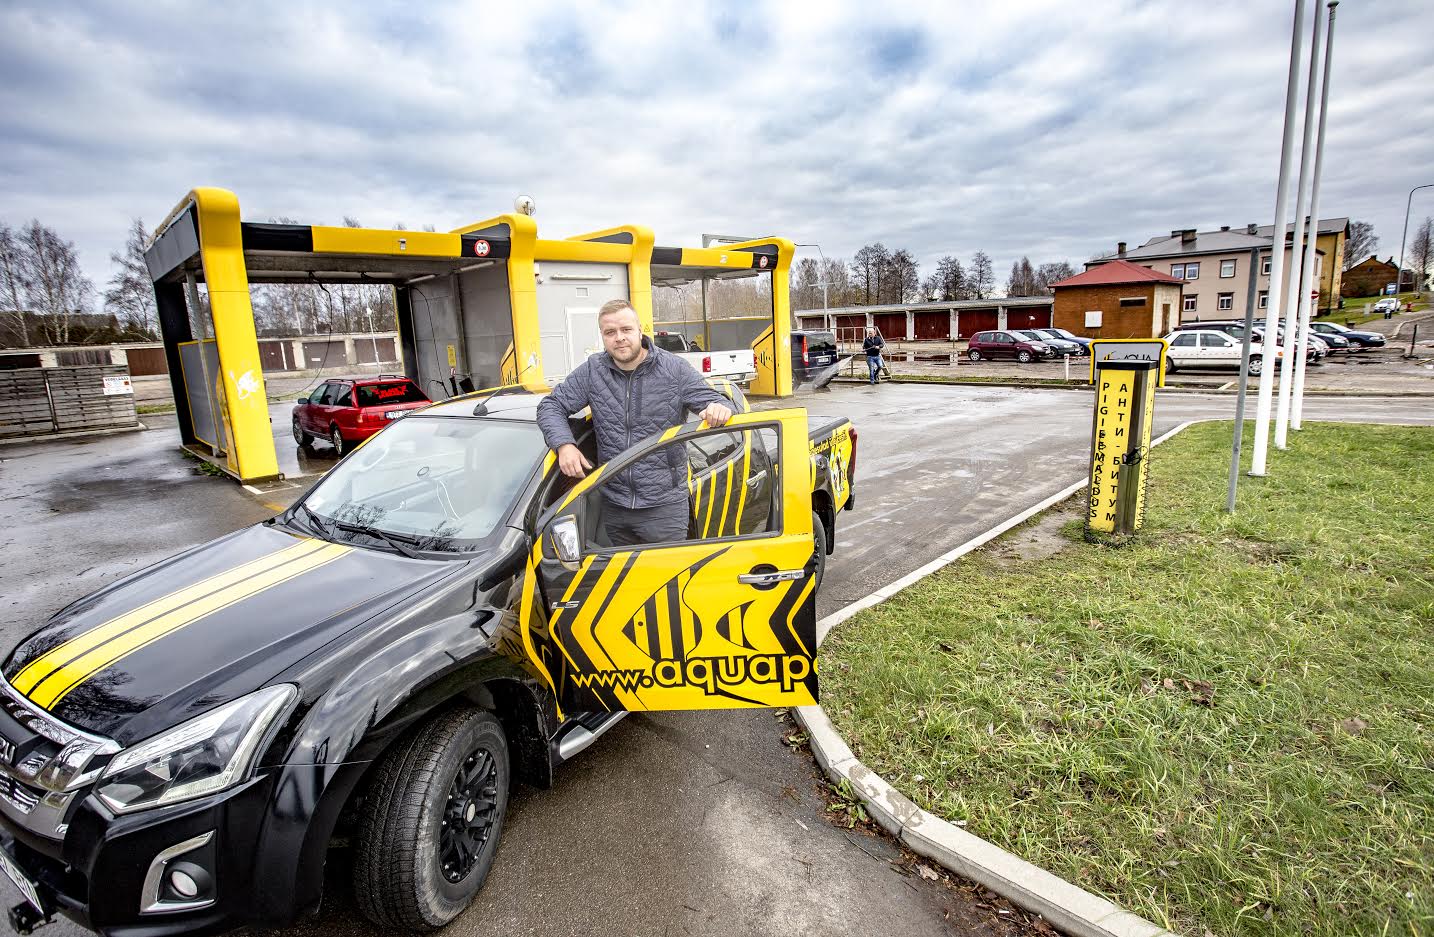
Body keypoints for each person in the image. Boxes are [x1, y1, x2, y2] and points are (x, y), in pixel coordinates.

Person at [536, 299, 733, 547]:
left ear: (640, 330)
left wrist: (718, 408)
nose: (619, 338)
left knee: (664, 571)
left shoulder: (674, 369)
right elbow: (550, 406)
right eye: (610, 332)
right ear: (602, 336)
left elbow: (720, 402)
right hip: (615, 505)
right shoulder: (593, 371)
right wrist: (564, 445)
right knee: (626, 573)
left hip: (664, 508)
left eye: (626, 329)